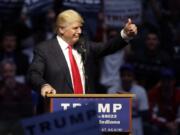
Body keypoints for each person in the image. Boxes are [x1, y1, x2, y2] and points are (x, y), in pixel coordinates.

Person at [27, 9, 137, 97]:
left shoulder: (85, 46)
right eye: (75, 28)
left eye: (80, 28)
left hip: (86, 113)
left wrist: (125, 35)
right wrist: (43, 86)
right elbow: (33, 74)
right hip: (58, 113)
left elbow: (108, 47)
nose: (79, 31)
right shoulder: (45, 49)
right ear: (61, 29)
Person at [116, 63, 149, 135]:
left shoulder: (141, 91)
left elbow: (144, 111)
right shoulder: (112, 90)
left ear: (133, 77)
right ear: (120, 76)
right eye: (123, 75)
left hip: (135, 122)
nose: (126, 78)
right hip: (118, 123)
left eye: (129, 75)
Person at [148, 68, 180, 135]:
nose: (166, 83)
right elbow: (152, 116)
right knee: (153, 128)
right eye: (164, 80)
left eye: (169, 80)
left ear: (174, 81)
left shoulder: (178, 94)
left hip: (176, 124)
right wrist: (166, 123)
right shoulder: (153, 93)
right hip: (160, 124)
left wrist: (176, 123)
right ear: (161, 81)